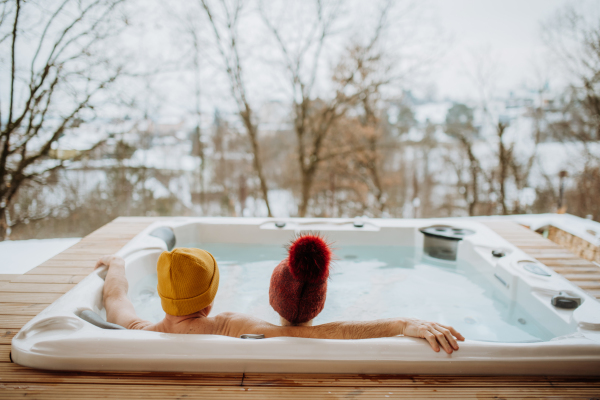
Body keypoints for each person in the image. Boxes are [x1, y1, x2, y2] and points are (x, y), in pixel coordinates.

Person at [95, 247, 464, 354]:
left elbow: (116, 296)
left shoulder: (135, 330)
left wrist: (118, 262)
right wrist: (401, 323)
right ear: (209, 297)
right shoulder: (230, 326)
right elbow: (322, 335)